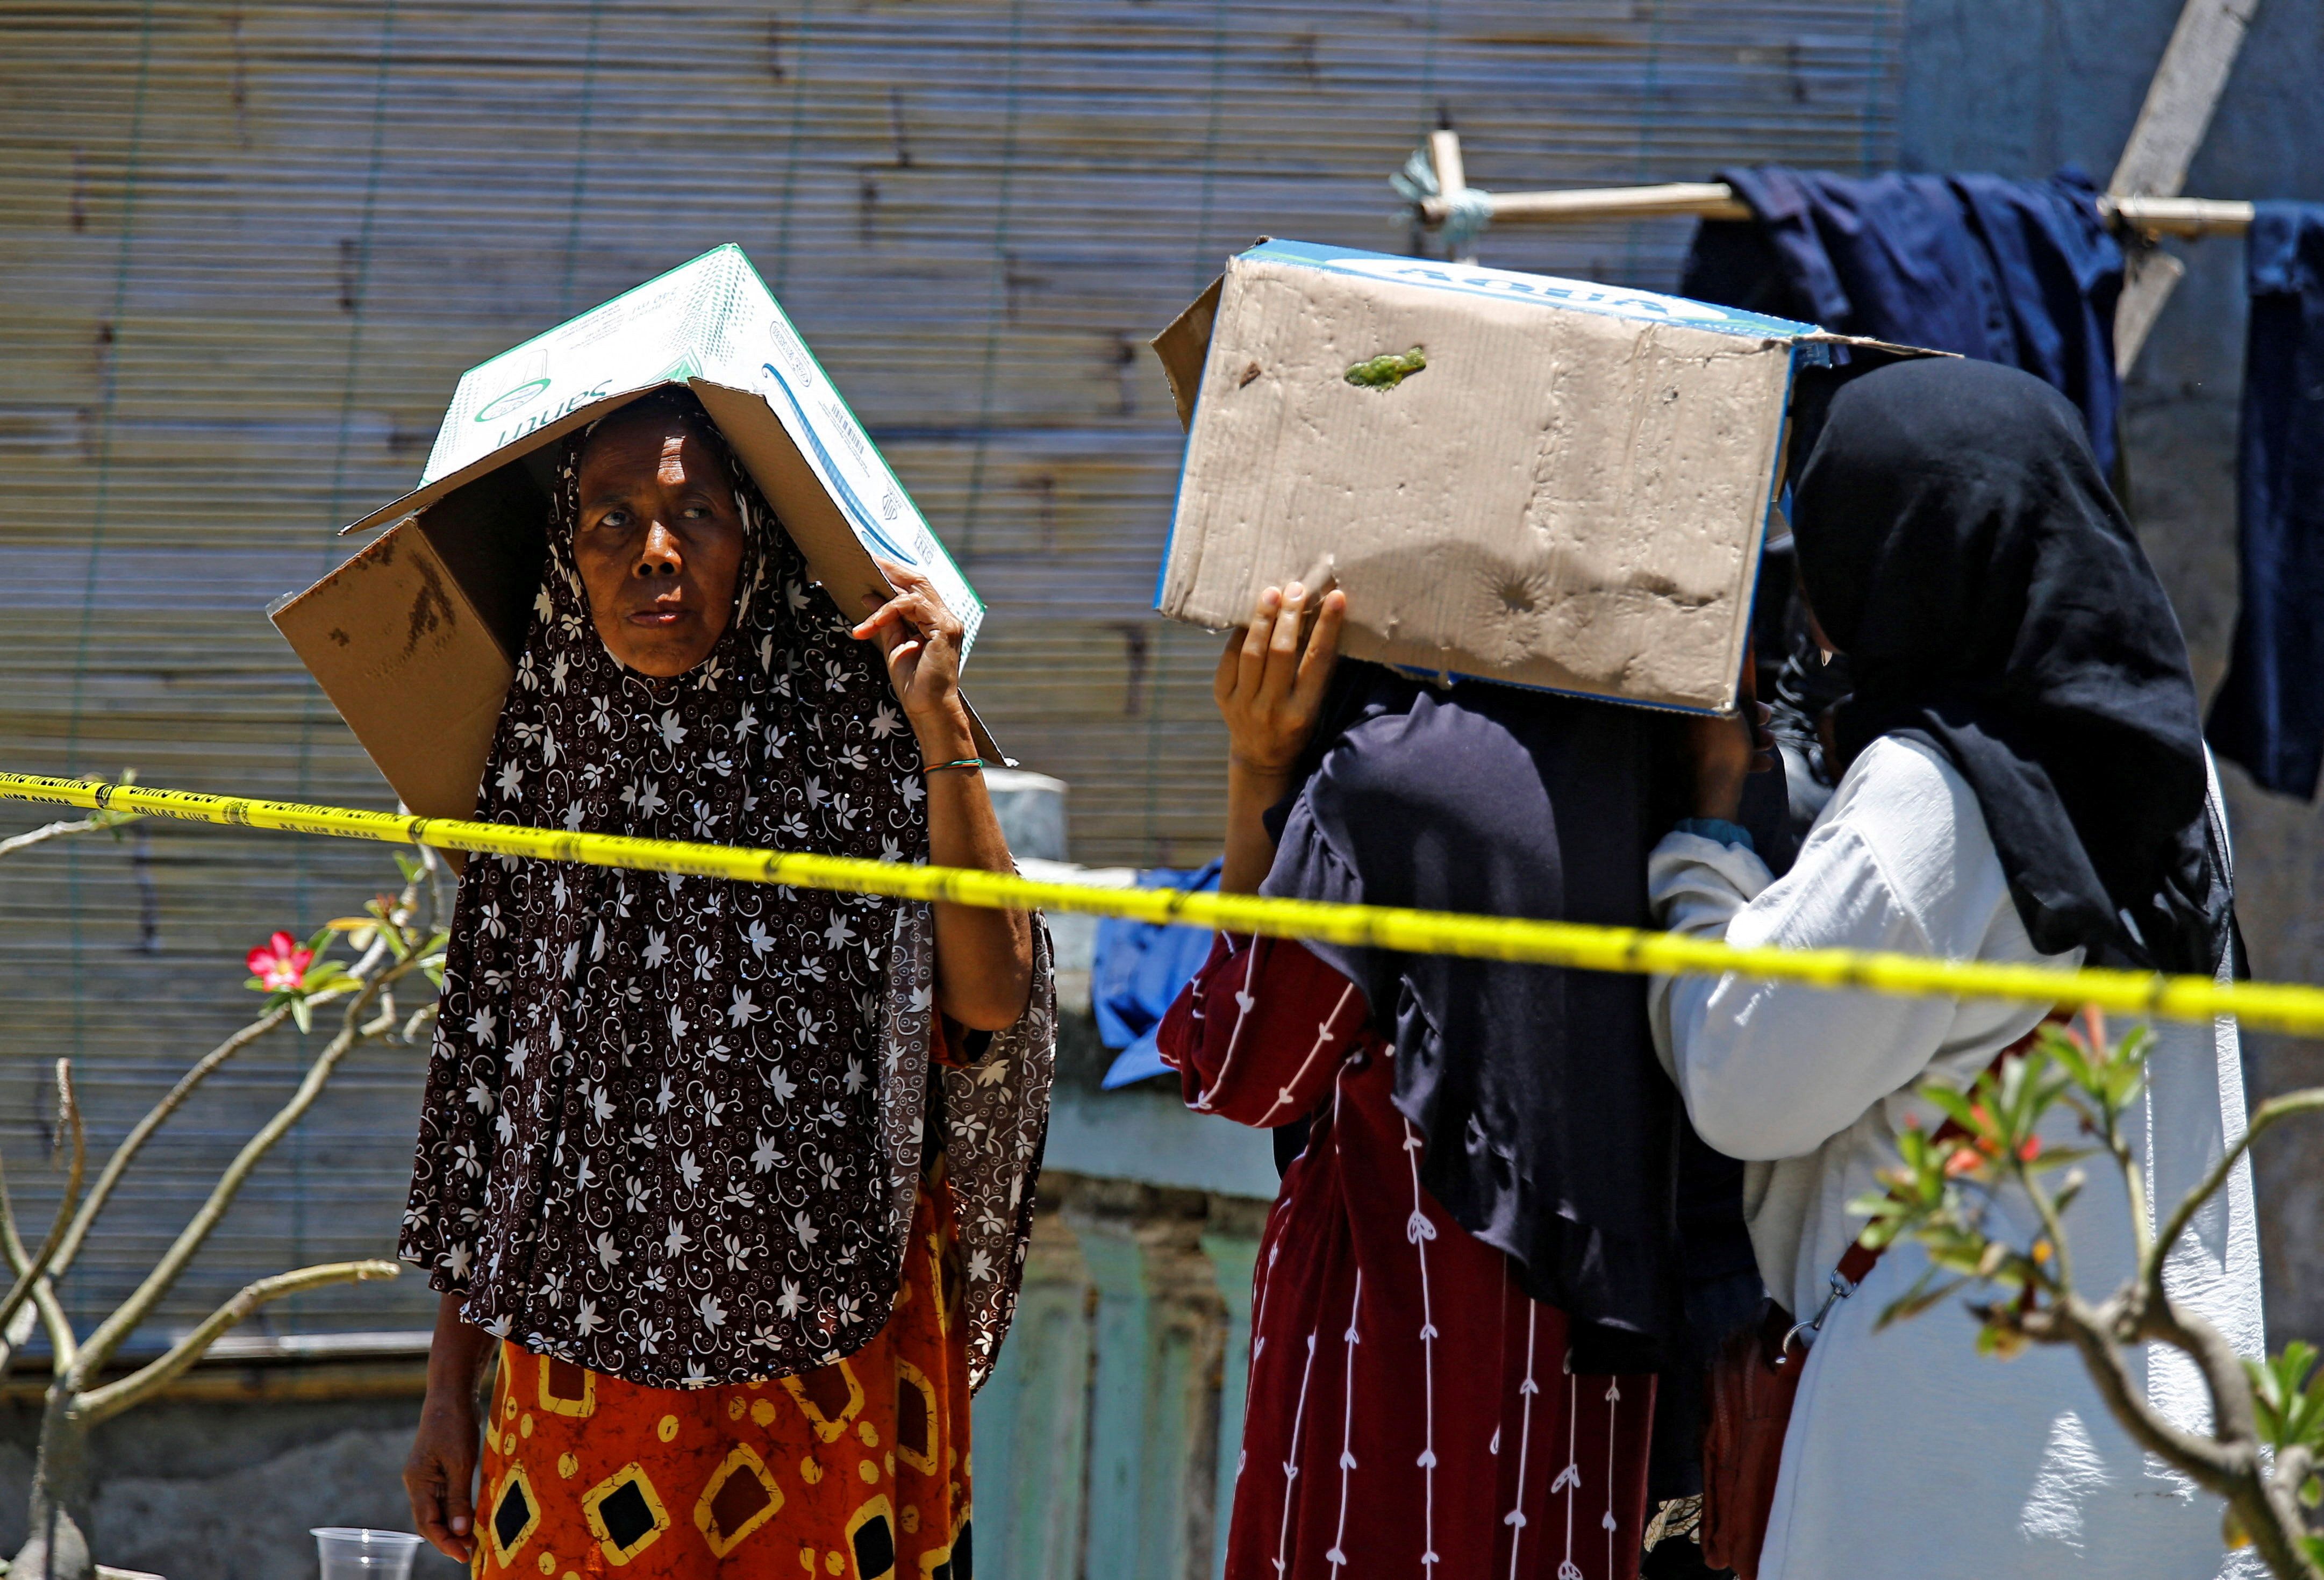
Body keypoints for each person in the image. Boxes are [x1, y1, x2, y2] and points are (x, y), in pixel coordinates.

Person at [397, 388, 1054, 1579]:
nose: (653, 551)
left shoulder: (853, 749)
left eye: (695, 511)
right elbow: (503, 1106)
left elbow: (992, 1002)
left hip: (828, 1350)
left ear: (755, 542)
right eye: (611, 519)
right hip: (581, 1356)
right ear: (569, 559)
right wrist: (450, 1388)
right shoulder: (552, 771)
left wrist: (940, 726)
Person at [1652, 358, 2263, 1579]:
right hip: (2176, 1456)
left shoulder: (1928, 798)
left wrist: (1705, 847)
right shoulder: (2174, 768)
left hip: (1954, 1473)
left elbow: (1739, 1074)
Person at [1156, 585, 1673, 1580]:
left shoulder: (1391, 776)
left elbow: (1244, 1068)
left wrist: (1259, 766)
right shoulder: (1648, 750)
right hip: (1584, 1372)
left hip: (1393, 1345)